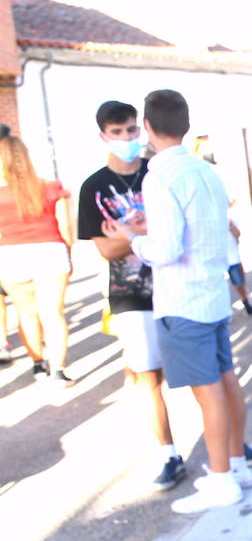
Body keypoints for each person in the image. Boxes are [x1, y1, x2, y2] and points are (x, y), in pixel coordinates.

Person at [105, 89, 252, 513]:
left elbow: (167, 248)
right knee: (225, 383)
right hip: (210, 293)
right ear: (186, 127)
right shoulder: (205, 171)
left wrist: (132, 237)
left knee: (208, 394)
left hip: (183, 299)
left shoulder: (159, 175)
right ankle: (237, 465)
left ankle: (223, 478)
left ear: (148, 128)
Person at [77, 100, 184, 487]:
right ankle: (167, 453)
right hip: (130, 294)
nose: (126, 138)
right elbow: (104, 250)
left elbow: (177, 233)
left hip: (175, 285)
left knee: (203, 372)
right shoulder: (93, 187)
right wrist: (144, 235)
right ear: (104, 135)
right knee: (147, 376)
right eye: (117, 132)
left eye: (132, 130)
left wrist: (127, 234)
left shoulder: (159, 174)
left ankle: (229, 448)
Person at [0, 125, 75, 386]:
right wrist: (69, 254)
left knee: (26, 313)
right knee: (53, 314)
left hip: (10, 255)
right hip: (50, 252)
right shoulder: (50, 187)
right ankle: (58, 371)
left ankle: (38, 365)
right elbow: (65, 226)